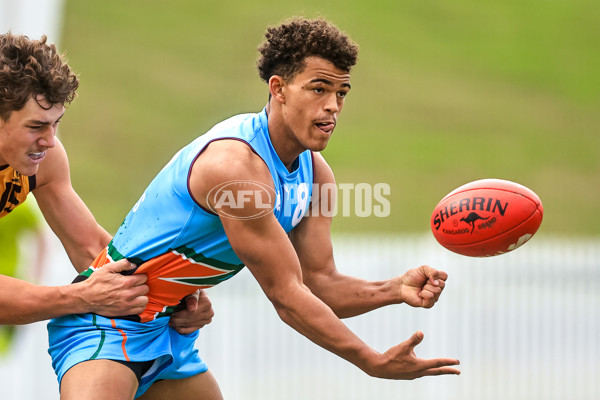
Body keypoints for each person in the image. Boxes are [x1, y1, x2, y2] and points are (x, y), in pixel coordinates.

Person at [48, 17, 460, 400]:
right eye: (319, 89)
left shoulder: (318, 175)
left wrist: (392, 289)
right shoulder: (235, 168)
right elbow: (285, 295)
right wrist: (370, 360)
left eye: (341, 93)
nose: (333, 105)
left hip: (169, 330)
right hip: (106, 323)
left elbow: (318, 281)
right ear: (278, 89)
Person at [0, 33, 213, 352]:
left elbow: (91, 249)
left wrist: (170, 291)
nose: (50, 140)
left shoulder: (47, 160)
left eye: (55, 123)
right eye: (36, 127)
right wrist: (80, 296)